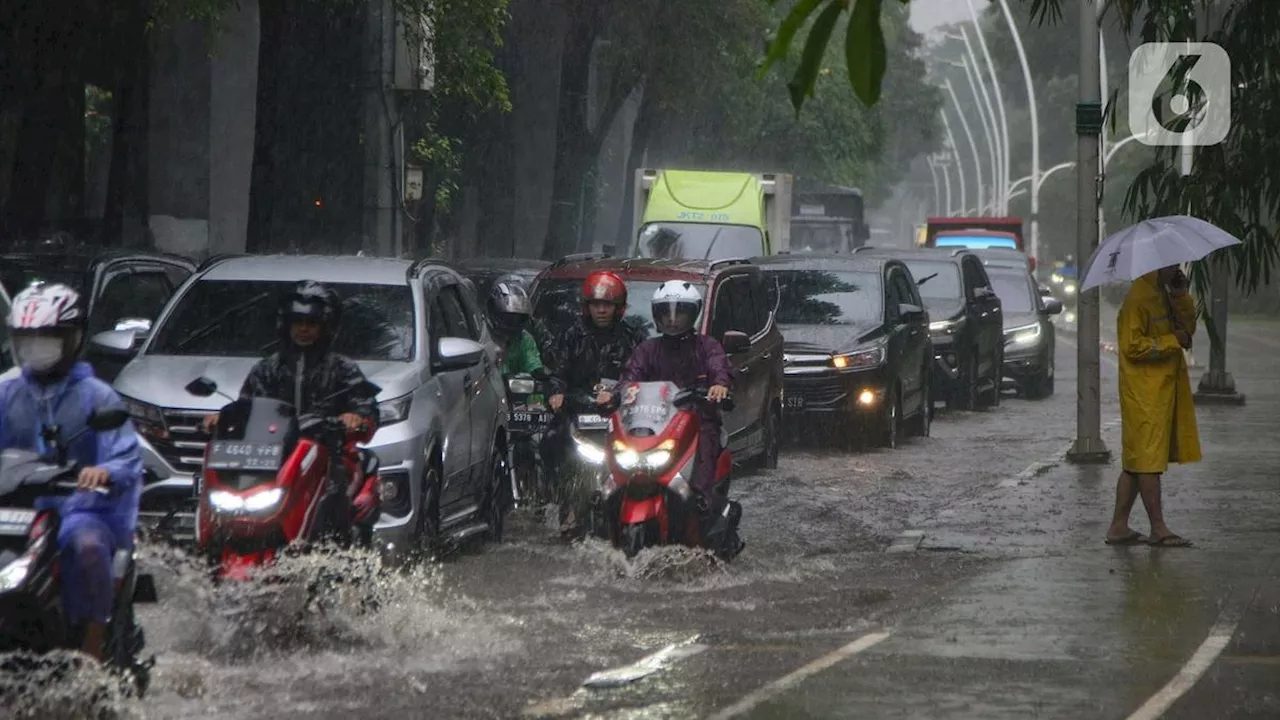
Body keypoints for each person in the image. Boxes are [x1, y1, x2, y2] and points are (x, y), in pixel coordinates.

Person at [0, 282, 143, 661]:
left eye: (47, 338)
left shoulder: (97, 396)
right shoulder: (5, 391)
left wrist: (102, 471)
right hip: (14, 507)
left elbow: (125, 454)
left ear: (72, 339)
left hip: (81, 508)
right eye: (28, 339)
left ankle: (91, 652)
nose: (36, 347)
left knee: (88, 547)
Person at [204, 281, 380, 533]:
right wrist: (220, 419)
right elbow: (247, 407)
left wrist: (355, 418)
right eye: (297, 322)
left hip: (330, 456)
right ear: (285, 325)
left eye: (311, 323)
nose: (304, 329)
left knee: (335, 493)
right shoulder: (266, 369)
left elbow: (366, 411)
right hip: (274, 457)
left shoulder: (344, 370)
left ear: (326, 327)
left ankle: (337, 556)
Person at [618, 281, 741, 554]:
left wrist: (719, 385)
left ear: (693, 314)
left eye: (680, 313)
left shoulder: (707, 346)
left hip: (698, 425)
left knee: (698, 491)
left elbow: (720, 367)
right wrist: (616, 393)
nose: (673, 320)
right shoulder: (647, 349)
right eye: (666, 313)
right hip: (653, 426)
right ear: (657, 315)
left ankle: (702, 520)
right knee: (612, 476)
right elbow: (630, 377)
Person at [542, 271, 646, 530]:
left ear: (618, 308)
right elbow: (556, 371)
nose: (601, 310)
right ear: (587, 307)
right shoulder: (571, 335)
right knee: (552, 442)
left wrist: (619, 394)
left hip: (620, 413)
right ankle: (564, 503)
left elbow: (641, 374)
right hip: (577, 410)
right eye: (596, 304)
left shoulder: (633, 337)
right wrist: (556, 392)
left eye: (607, 305)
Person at [1106, 265, 1200, 548]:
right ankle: (1158, 528)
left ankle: (1118, 526)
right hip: (1143, 392)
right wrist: (1173, 341)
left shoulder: (1164, 292)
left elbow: (1188, 329)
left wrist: (1182, 295)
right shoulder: (1138, 297)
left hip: (1162, 389)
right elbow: (1132, 346)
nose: (1177, 267)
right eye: (1171, 262)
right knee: (1148, 461)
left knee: (1137, 462)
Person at [486, 275, 543, 376]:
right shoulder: (484, 337)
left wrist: (541, 376)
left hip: (519, 388)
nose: (514, 322)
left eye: (518, 318)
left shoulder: (524, 339)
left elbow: (533, 364)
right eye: (508, 317)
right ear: (494, 310)